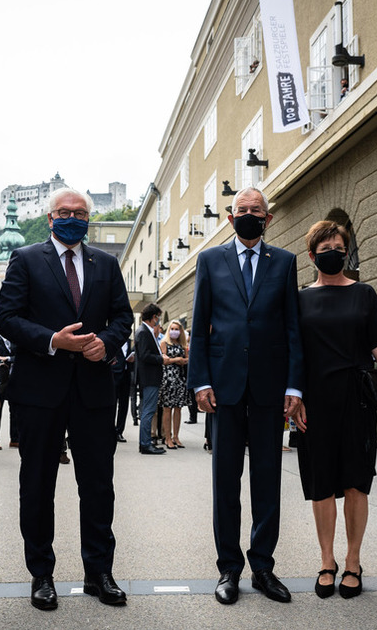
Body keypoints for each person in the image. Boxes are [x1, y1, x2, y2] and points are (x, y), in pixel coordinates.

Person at [0, 188, 134, 611]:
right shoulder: (25, 259)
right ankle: (41, 574)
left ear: (88, 219)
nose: (72, 217)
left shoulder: (106, 264)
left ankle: (99, 572)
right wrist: (52, 341)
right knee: (37, 484)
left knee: (97, 485)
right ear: (51, 218)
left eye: (80, 212)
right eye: (64, 212)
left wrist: (107, 344)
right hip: (40, 390)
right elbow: (8, 318)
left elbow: (123, 317)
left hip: (93, 390)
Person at [188, 187, 304, 605]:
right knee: (226, 481)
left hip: (272, 388)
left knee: (267, 480)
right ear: (230, 217)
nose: (249, 215)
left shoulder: (285, 262)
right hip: (224, 387)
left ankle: (263, 567)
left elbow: (292, 327)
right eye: (242, 210)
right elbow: (200, 325)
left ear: (268, 218)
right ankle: (228, 569)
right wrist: (200, 382)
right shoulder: (210, 260)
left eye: (257, 210)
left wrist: (294, 385)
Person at [291, 222, 377, 600]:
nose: (333, 252)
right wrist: (291, 397)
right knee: (321, 484)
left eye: (339, 246)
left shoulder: (364, 294)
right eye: (325, 247)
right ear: (312, 256)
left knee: (356, 482)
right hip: (314, 400)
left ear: (346, 252)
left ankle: (353, 561)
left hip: (355, 398)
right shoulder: (300, 299)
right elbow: (293, 353)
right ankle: (327, 560)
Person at [134, 303, 166, 455]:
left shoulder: (145, 331)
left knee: (148, 410)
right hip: (149, 378)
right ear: (154, 317)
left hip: (150, 377)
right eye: (158, 317)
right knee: (148, 411)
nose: (159, 320)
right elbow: (145, 355)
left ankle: (145, 443)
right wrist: (161, 359)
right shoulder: (143, 332)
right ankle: (146, 444)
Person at [159, 320, 189, 449]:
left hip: (180, 378)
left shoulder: (183, 344)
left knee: (178, 408)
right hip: (168, 378)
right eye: (172, 328)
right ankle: (167, 437)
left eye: (177, 329)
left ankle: (176, 436)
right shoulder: (164, 343)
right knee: (167, 408)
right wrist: (177, 359)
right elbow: (163, 360)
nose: (174, 331)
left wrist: (181, 361)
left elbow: (187, 359)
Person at [112, 338, 134, 443]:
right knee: (112, 403)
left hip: (126, 374)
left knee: (124, 404)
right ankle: (110, 430)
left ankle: (119, 431)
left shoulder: (130, 342)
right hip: (114, 374)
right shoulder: (113, 339)